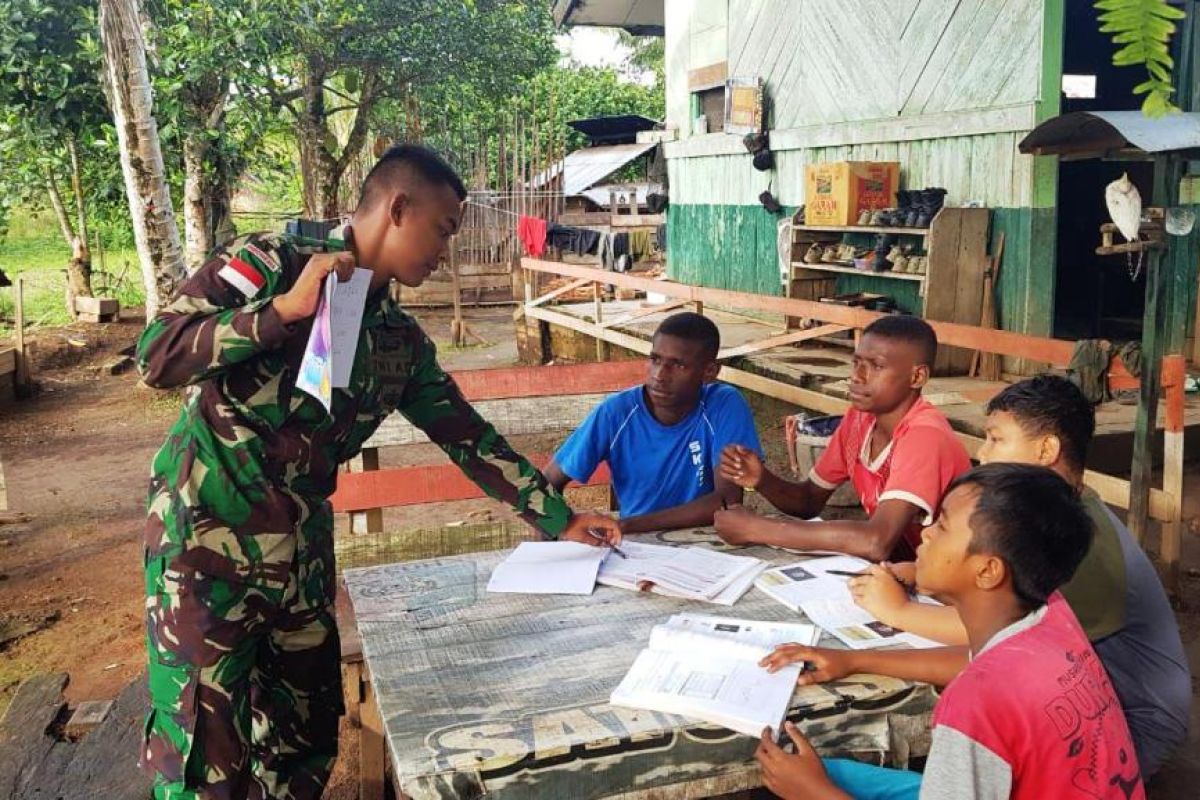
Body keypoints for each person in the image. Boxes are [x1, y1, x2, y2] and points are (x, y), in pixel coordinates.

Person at [134, 144, 619, 799]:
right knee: (204, 759)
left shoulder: (396, 340)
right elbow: (156, 355)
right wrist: (280, 315)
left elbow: (467, 437)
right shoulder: (270, 263)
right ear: (396, 208)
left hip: (299, 562)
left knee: (302, 745)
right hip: (203, 551)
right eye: (443, 229)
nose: (446, 249)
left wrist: (561, 519)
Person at [843, 374, 1190, 776]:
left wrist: (898, 612)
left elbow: (995, 640)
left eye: (996, 439)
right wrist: (923, 577)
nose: (983, 454)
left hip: (1132, 717)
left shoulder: (1079, 543)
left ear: (1046, 449)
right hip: (1086, 695)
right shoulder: (1052, 516)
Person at [757, 464, 1145, 800]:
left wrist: (815, 794)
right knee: (832, 772)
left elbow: (981, 687)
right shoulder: (1052, 614)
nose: (924, 532)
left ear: (988, 571)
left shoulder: (974, 705)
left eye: (942, 525)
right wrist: (854, 659)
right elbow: (972, 663)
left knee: (810, 779)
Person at [714, 315, 971, 561]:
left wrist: (757, 529)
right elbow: (808, 501)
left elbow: (876, 541)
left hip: (950, 586)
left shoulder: (924, 436)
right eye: (856, 362)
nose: (857, 376)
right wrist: (762, 479)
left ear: (917, 377)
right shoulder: (860, 420)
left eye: (876, 366)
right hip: (905, 570)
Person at [544, 312, 763, 533]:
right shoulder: (616, 413)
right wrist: (560, 533)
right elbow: (548, 482)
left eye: (677, 365)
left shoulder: (723, 405)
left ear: (709, 372)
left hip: (704, 541)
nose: (659, 375)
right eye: (655, 359)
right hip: (634, 546)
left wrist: (628, 525)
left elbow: (727, 500)